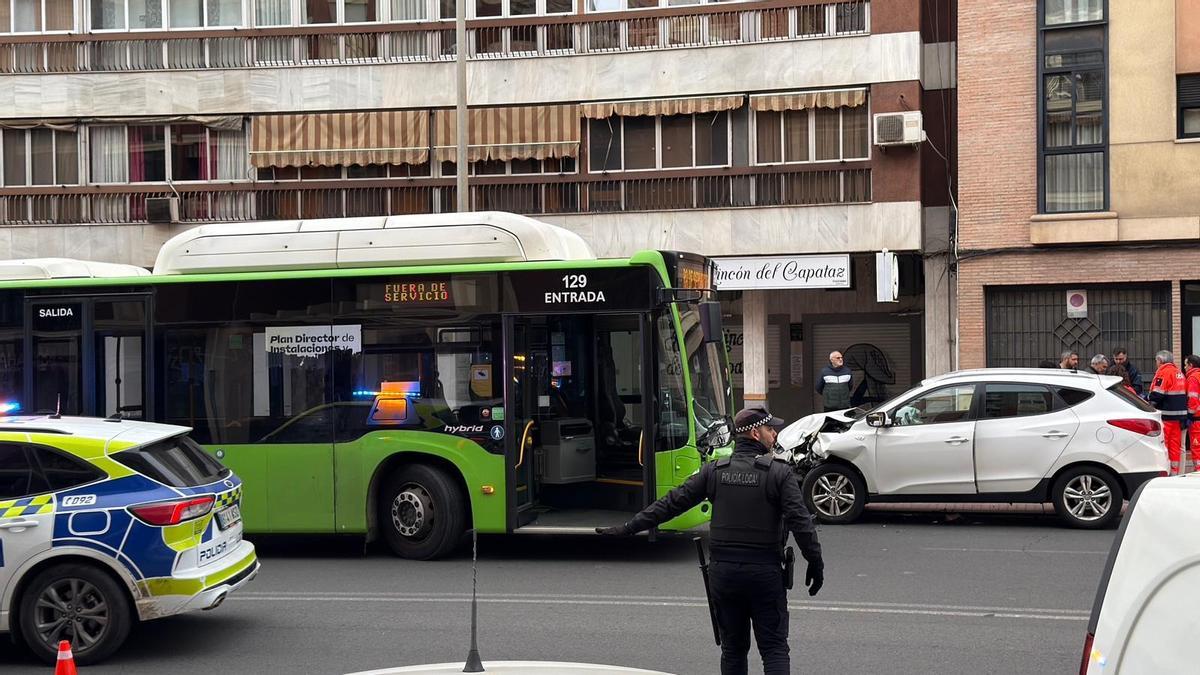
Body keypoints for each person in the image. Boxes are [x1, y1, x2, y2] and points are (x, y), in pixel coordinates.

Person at [596, 407, 824, 675]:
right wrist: (815, 562)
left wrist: (628, 527)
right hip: (765, 574)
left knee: (733, 650)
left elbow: (671, 503)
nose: (774, 434)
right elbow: (801, 523)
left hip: (724, 575)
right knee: (774, 650)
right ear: (754, 433)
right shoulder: (779, 474)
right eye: (770, 429)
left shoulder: (713, 471)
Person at [1149, 350, 1189, 475]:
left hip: (1166, 416)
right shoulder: (1179, 373)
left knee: (1164, 446)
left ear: (1160, 360)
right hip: (1179, 417)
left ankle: (1165, 473)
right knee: (1175, 446)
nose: (1156, 364)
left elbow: (1157, 394)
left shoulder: (1163, 372)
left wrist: (1149, 403)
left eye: (1156, 361)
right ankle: (1175, 472)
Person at [1186, 355, 1200, 474]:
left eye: (1186, 365)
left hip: (1197, 419)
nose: (1185, 367)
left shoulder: (1193, 378)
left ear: (1191, 365)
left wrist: (1189, 415)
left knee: (1196, 447)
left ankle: (1198, 471)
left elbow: (1193, 399)